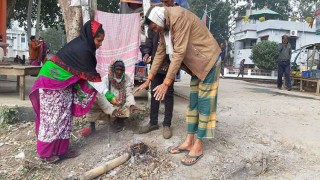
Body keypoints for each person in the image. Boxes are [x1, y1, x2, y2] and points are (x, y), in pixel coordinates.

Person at [136, 6, 221, 166]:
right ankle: (189, 140)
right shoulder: (164, 27)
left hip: (208, 60)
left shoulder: (178, 18)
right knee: (193, 103)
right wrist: (150, 78)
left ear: (159, 20)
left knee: (204, 104)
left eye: (155, 27)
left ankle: (198, 144)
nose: (156, 31)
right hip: (197, 66)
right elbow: (160, 52)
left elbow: (179, 52)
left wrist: (166, 83)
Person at [29, 20, 119, 163]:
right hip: (51, 82)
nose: (100, 44)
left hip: (64, 84)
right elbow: (93, 79)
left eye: (102, 41)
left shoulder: (86, 49)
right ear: (90, 37)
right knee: (52, 118)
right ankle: (45, 154)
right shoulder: (83, 50)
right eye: (98, 40)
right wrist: (109, 95)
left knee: (65, 117)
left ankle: (61, 151)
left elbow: (88, 75)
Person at [138, 0, 177, 139]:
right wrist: (147, 52)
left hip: (169, 63)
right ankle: (153, 122)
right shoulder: (153, 22)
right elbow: (149, 42)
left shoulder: (171, 20)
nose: (155, 29)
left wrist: (168, 62)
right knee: (155, 93)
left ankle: (167, 124)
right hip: (155, 62)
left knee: (168, 95)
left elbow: (175, 48)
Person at [83, 59, 140, 134]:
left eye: (121, 70)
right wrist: (112, 110)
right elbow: (101, 98)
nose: (119, 72)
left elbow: (129, 93)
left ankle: (118, 121)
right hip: (106, 104)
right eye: (117, 69)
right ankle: (92, 127)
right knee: (92, 105)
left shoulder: (126, 78)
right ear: (113, 69)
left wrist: (132, 104)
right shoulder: (105, 79)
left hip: (119, 103)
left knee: (128, 108)